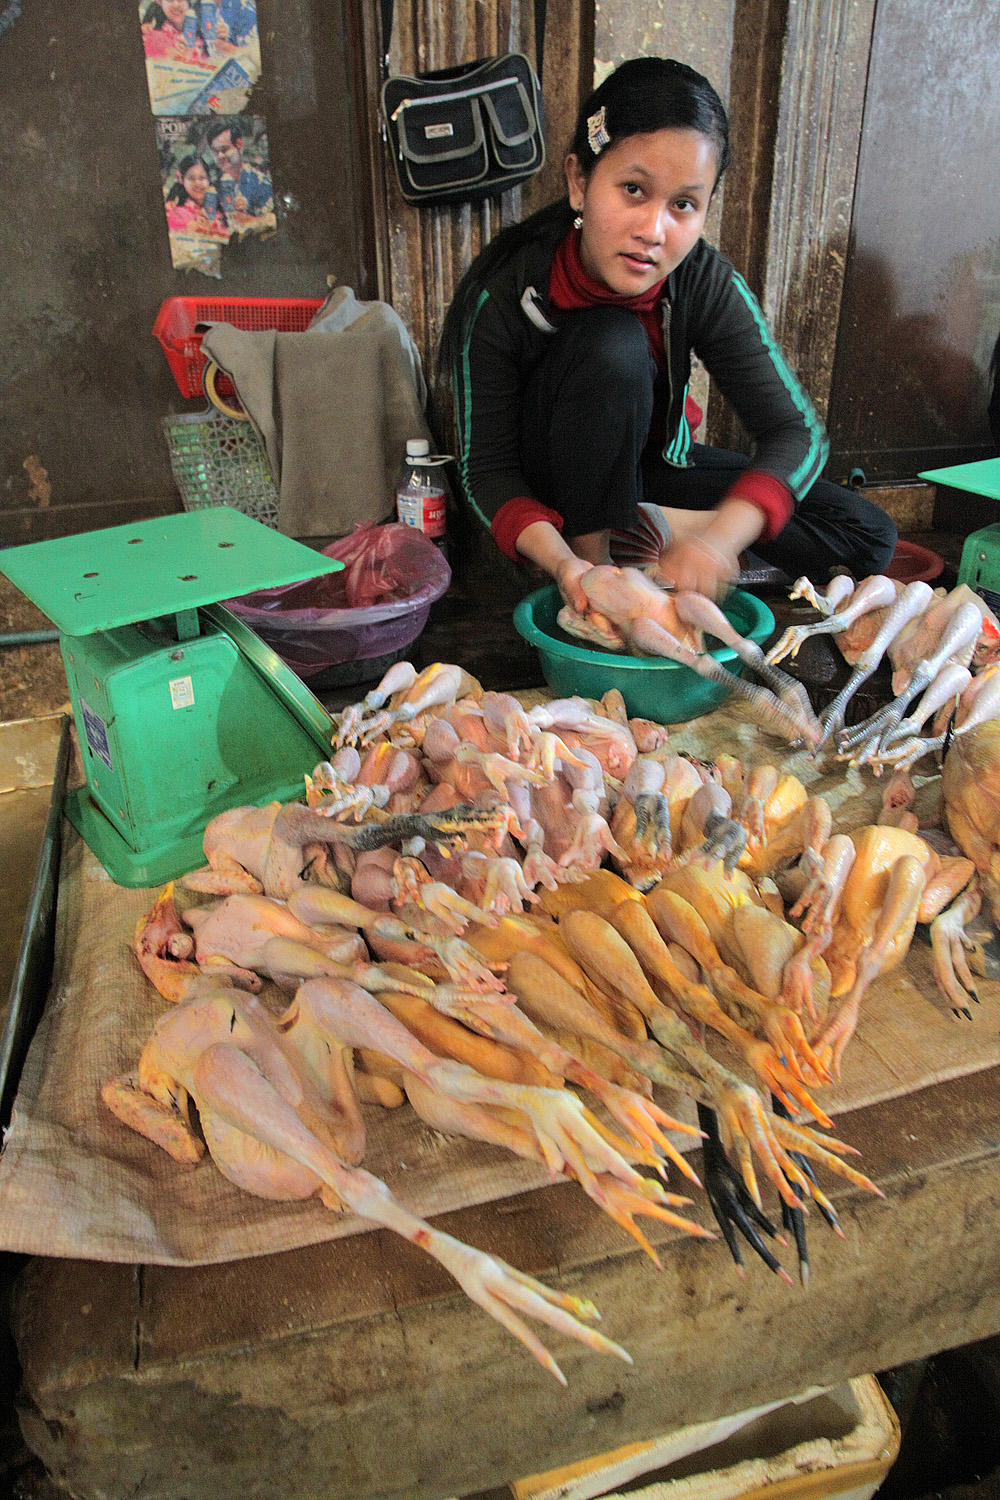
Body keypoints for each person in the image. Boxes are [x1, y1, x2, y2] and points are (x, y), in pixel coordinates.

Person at [439, 56, 897, 611]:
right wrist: (572, 567)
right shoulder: (508, 291)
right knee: (614, 346)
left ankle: (646, 534)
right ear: (580, 181)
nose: (653, 231)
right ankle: (605, 560)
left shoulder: (701, 278)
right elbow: (485, 471)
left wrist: (719, 540)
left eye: (684, 204)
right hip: (551, 502)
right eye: (633, 189)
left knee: (867, 534)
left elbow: (796, 432)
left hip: (651, 473)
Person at [204, 117, 273, 218]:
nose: (220, 156)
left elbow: (270, 223)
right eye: (215, 152)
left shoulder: (260, 183)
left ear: (239, 145)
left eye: (224, 149)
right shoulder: (213, 185)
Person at [164, 154, 228, 235]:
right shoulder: (176, 212)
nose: (197, 183)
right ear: (181, 180)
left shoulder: (221, 208)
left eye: (202, 178)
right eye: (191, 178)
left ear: (209, 179)